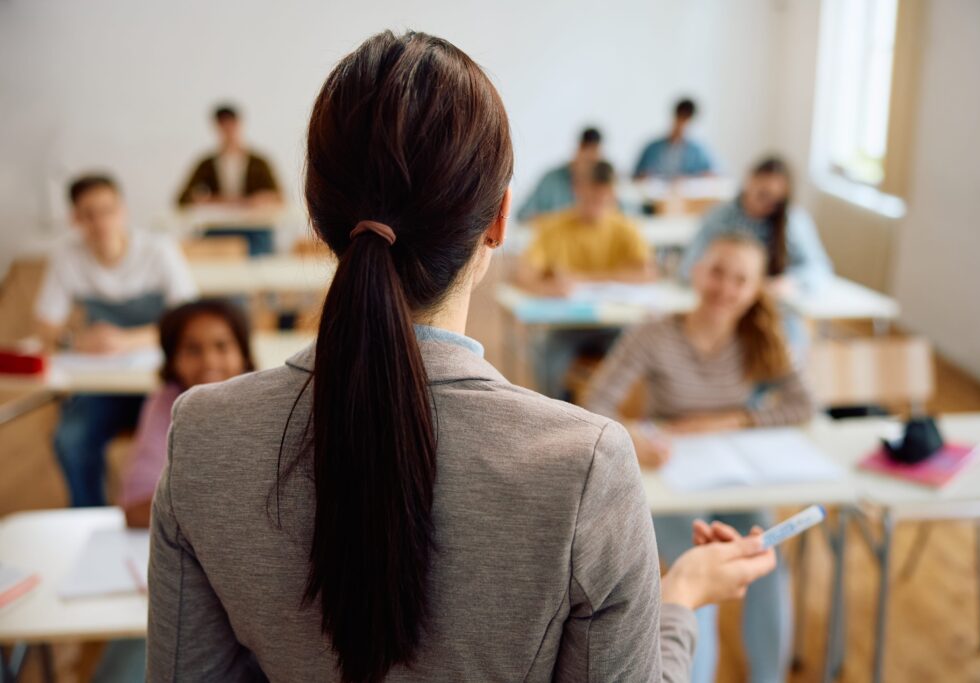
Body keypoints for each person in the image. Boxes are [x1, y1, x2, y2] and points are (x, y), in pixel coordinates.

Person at [147, 30, 777, 682]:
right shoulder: (584, 465)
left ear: (316, 214)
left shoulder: (202, 435)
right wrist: (676, 603)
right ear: (500, 220)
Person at [585, 232, 816, 683]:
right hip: (671, 477)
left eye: (740, 280)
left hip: (733, 476)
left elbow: (803, 404)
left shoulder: (762, 338)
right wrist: (633, 436)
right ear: (695, 270)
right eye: (716, 272)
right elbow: (596, 402)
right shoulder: (652, 333)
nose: (725, 289)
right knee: (696, 570)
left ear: (755, 291)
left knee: (765, 560)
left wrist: (733, 421)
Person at [34, 174, 197, 507]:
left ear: (122, 210)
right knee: (71, 439)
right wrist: (76, 341)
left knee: (176, 440)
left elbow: (189, 322)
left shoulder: (157, 250)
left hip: (157, 382)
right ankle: (89, 518)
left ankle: (165, 518)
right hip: (104, 384)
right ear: (75, 218)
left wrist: (126, 341)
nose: (100, 222)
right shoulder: (68, 257)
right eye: (89, 213)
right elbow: (45, 329)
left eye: (107, 210)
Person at [516, 160, 655, 397]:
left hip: (616, 324)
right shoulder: (553, 226)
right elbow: (524, 275)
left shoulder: (625, 228)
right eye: (591, 197)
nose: (596, 205)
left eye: (603, 198)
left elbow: (647, 273)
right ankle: (558, 415)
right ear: (578, 190)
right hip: (567, 325)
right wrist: (548, 287)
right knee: (548, 359)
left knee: (636, 358)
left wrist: (584, 278)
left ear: (612, 195)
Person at [121, 299, 254, 528]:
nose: (209, 362)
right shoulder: (165, 404)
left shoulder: (266, 402)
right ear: (172, 361)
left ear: (244, 354)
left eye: (222, 346)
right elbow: (137, 507)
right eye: (192, 349)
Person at [680, 156, 832, 296]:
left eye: (776, 202)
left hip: (771, 307)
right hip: (724, 301)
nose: (767, 204)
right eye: (763, 194)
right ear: (749, 180)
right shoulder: (719, 217)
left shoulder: (793, 221)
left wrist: (790, 282)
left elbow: (819, 270)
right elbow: (689, 265)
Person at [177, 104, 282, 208]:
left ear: (238, 124)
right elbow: (183, 198)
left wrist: (259, 200)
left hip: (253, 222)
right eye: (223, 125)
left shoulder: (259, 163)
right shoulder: (206, 164)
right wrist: (210, 199)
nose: (227, 130)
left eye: (230, 124)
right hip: (217, 222)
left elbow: (279, 197)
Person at [516, 127, 603, 222]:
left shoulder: (602, 185)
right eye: (587, 161)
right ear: (579, 150)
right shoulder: (550, 179)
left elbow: (619, 214)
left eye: (593, 162)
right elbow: (522, 215)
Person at [634, 98, 716, 179]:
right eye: (681, 118)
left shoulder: (698, 151)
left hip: (686, 192)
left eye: (687, 120)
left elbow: (713, 173)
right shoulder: (652, 148)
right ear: (675, 117)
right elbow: (636, 174)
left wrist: (693, 177)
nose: (683, 125)